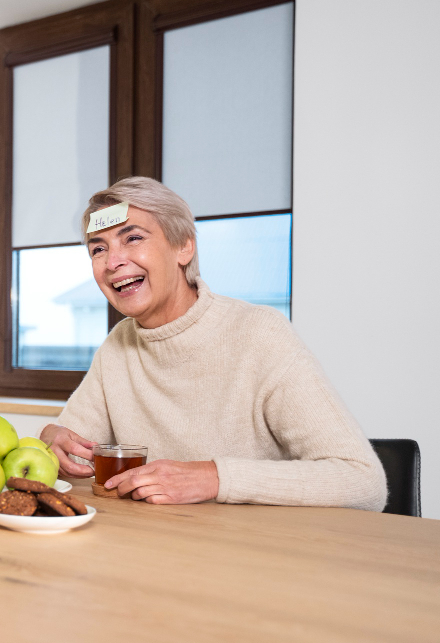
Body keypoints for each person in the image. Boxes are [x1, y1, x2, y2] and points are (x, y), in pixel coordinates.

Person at [41, 176, 387, 510]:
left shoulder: (259, 333)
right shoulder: (118, 347)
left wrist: (214, 477)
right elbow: (69, 455)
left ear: (184, 247)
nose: (113, 262)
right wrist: (50, 442)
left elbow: (362, 482)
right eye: (98, 249)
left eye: (132, 238)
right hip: (157, 548)